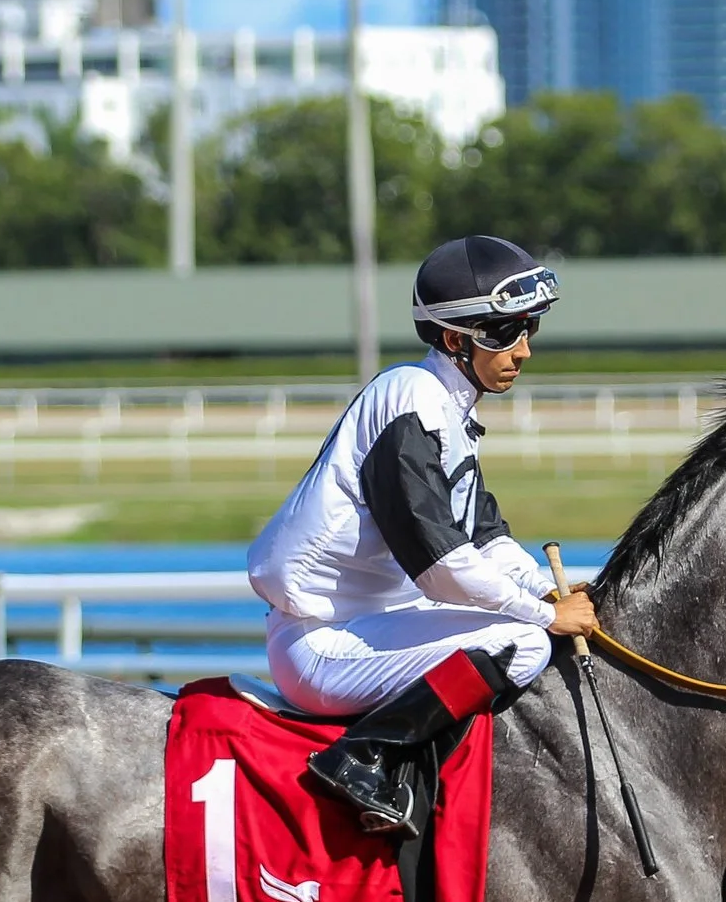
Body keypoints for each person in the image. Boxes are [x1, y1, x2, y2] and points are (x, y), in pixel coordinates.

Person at [248, 235, 598, 836]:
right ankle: (362, 755)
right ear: (455, 340)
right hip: (322, 643)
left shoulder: (448, 409)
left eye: (529, 328)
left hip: (374, 622)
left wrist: (545, 590)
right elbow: (443, 569)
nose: (524, 350)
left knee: (527, 626)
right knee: (525, 645)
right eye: (505, 333)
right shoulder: (409, 402)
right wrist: (545, 617)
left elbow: (486, 537)